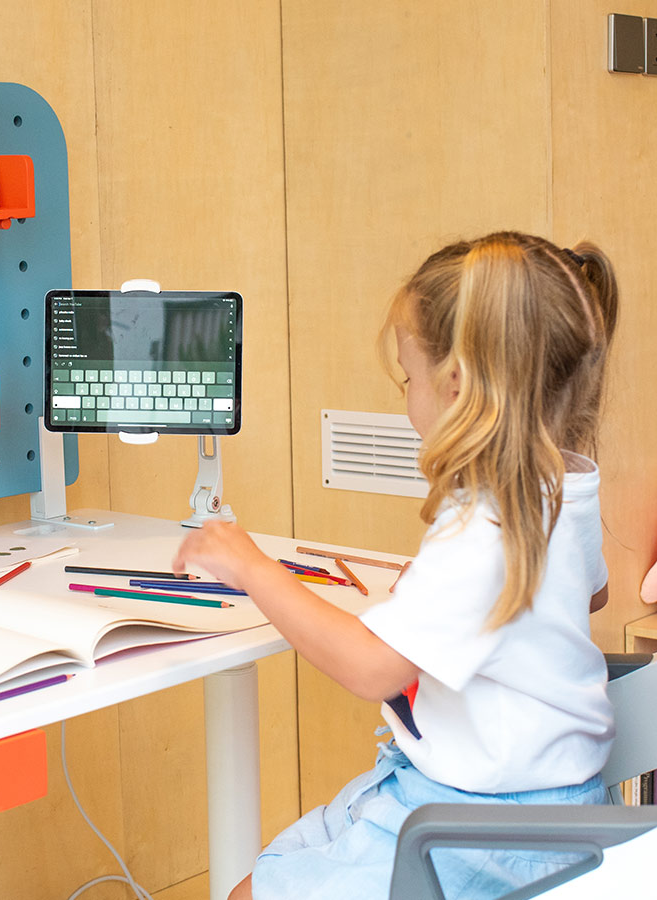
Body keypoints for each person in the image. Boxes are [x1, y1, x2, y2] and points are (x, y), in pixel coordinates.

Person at [173, 232, 620, 900]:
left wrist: (253, 567)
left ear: (457, 384)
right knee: (265, 874)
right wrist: (452, 605)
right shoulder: (561, 483)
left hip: (493, 827)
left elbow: (372, 667)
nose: (407, 400)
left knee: (246, 893)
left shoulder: (485, 524)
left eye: (409, 379)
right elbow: (593, 593)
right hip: (536, 804)